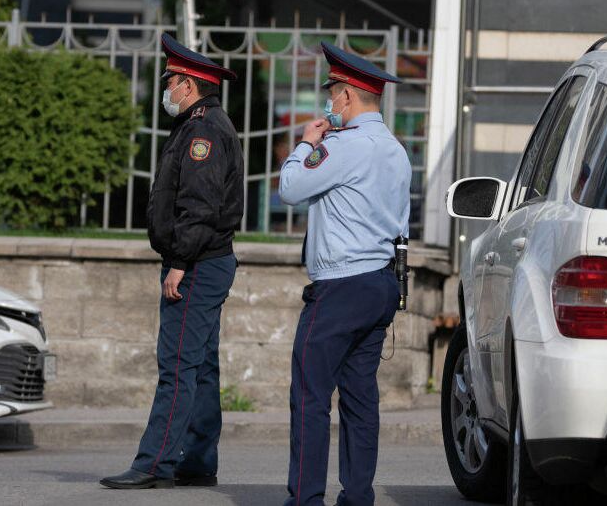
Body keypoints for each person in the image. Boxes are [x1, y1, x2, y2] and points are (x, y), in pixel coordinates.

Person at [100, 33, 244, 490]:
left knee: (178, 364)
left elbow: (199, 205)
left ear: (188, 85)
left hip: (197, 263)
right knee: (200, 365)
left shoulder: (202, 130)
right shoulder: (204, 125)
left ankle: (153, 464)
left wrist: (179, 261)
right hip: (207, 260)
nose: (167, 91)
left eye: (171, 82)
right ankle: (198, 460)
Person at [278, 42, 411, 506]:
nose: (329, 101)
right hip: (379, 281)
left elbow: (291, 189)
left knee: (311, 396)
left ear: (349, 95)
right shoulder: (396, 150)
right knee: (359, 397)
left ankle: (306, 499)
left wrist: (305, 144)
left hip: (340, 285)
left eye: (333, 92)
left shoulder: (343, 145)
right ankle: (357, 497)